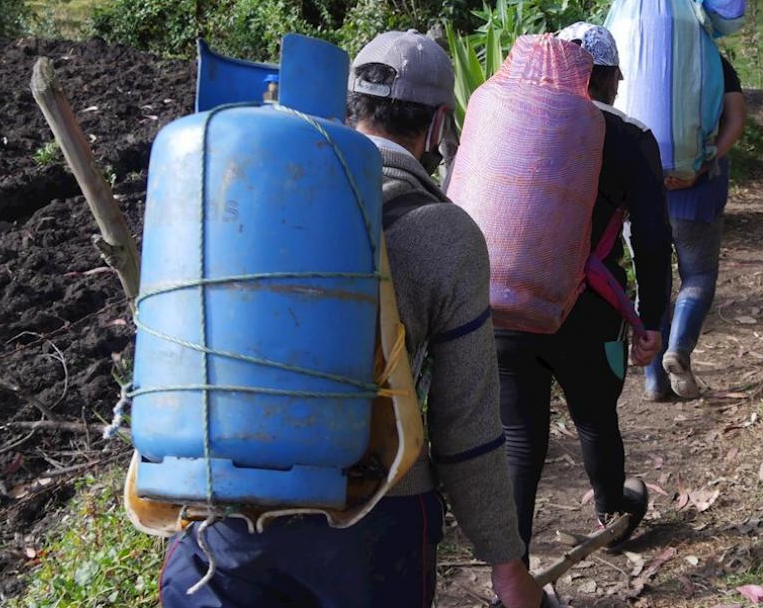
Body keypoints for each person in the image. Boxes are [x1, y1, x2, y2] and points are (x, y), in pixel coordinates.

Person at [159, 30, 543, 608]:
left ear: (346, 108)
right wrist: (505, 561)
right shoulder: (446, 235)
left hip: (220, 513)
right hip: (371, 522)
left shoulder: (236, 191)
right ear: (439, 127)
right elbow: (465, 428)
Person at [495, 23, 671, 557]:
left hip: (505, 306)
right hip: (588, 312)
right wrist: (652, 318)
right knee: (595, 417)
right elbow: (653, 238)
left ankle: (513, 571)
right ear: (609, 78)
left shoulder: (516, 118)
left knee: (519, 437)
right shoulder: (628, 135)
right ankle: (612, 517)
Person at [643, 54, 747, 401]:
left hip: (644, 194)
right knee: (699, 275)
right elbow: (736, 120)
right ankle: (678, 348)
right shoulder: (714, 62)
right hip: (699, 193)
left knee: (650, 280)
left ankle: (653, 381)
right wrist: (703, 165)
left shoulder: (638, 56)